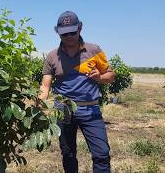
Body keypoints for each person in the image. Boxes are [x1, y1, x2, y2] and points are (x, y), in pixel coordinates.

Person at [39, 11, 115, 173]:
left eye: (72, 31)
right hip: (63, 110)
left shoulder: (94, 50)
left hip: (90, 110)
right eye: (64, 33)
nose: (69, 36)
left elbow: (111, 75)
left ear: (80, 28)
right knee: (68, 154)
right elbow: (45, 87)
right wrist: (38, 107)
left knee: (101, 153)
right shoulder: (53, 56)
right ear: (57, 32)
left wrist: (100, 77)